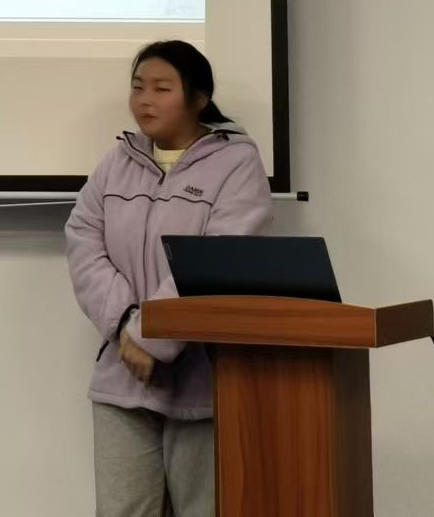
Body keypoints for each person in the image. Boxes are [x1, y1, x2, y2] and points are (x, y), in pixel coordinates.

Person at [66, 39, 273, 517]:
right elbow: (83, 240)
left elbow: (219, 255)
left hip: (202, 381)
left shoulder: (236, 163)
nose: (145, 100)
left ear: (199, 98)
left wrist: (152, 336)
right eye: (138, 87)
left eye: (162, 89)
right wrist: (127, 326)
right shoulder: (117, 162)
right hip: (123, 374)